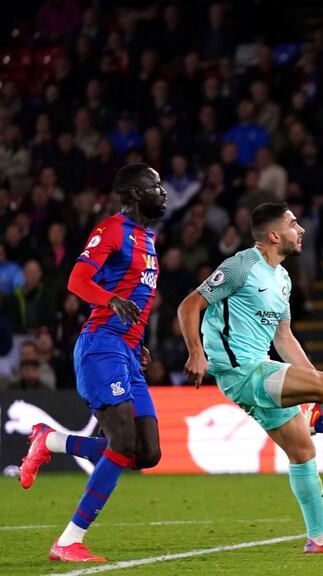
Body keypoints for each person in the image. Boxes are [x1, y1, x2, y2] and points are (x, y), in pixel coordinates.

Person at [177, 202, 323, 555]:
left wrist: (310, 378)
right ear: (273, 235)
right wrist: (196, 352)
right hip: (242, 370)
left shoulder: (282, 278)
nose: (300, 229)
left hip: (258, 368)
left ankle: (318, 538)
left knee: (302, 450)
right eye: (292, 224)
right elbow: (189, 305)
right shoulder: (242, 266)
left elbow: (284, 338)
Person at [19, 164, 167, 562]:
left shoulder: (148, 239)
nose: (163, 191)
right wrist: (109, 300)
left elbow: (136, 301)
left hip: (127, 352)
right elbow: (77, 281)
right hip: (101, 345)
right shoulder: (113, 230)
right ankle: (69, 540)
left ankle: (50, 440)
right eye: (155, 185)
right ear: (135, 193)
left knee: (147, 453)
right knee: (121, 442)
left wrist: (139, 345)